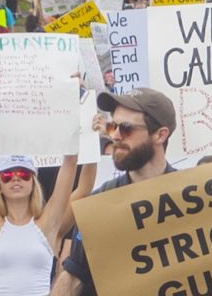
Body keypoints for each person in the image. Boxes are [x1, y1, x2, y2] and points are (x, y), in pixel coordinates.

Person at [55, 90, 177, 296]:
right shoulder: (99, 204)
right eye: (112, 127)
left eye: (127, 129)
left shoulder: (192, 196)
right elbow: (73, 277)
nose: (115, 136)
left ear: (160, 134)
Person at [0, 83, 79, 296]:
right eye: (7, 175)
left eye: (23, 174)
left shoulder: (47, 223)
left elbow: (70, 162)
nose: (15, 179)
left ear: (33, 182)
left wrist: (71, 97)